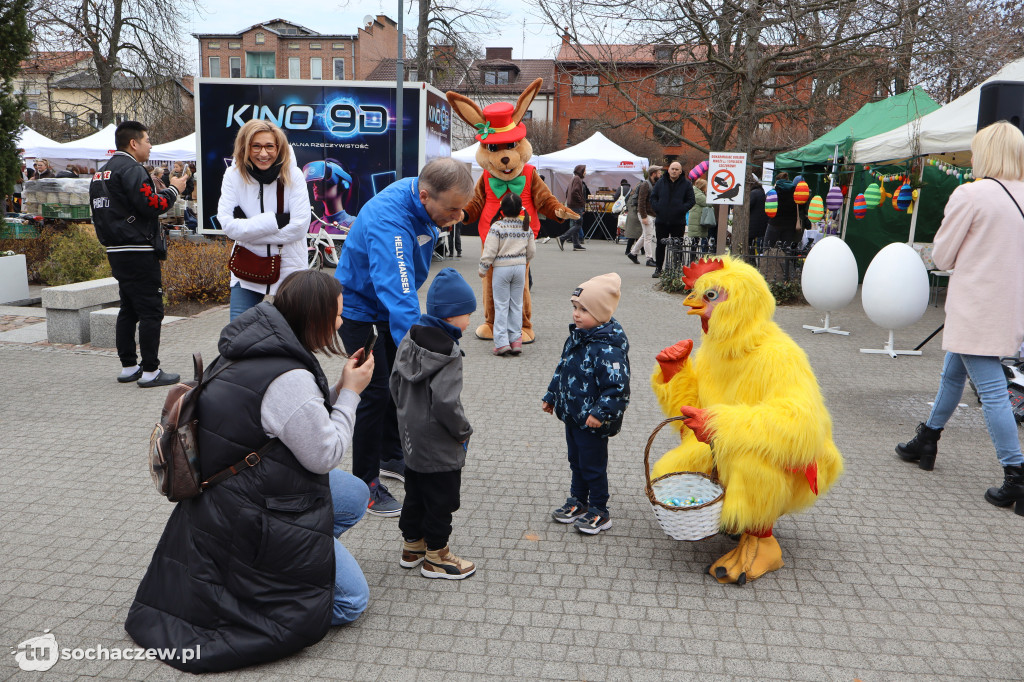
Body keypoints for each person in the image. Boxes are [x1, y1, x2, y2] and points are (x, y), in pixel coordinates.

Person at [124, 270, 376, 672]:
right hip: (252, 514)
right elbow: (325, 454)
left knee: (355, 495)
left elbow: (292, 420)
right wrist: (350, 395)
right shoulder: (289, 376)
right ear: (314, 318)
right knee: (350, 601)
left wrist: (337, 389)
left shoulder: (254, 346)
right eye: (338, 315)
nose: (342, 323)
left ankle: (300, 553)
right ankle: (273, 578)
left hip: (236, 494)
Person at [894, 121, 1024, 515]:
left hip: (974, 307)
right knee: (953, 373)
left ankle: (1016, 474)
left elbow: (944, 256)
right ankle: (927, 439)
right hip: (1008, 306)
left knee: (992, 393)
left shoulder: (971, 193)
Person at [335, 157, 474, 516]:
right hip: (360, 309)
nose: (458, 217)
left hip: (388, 305)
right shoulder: (390, 220)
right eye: (453, 210)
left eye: (462, 209)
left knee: (396, 384)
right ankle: (364, 485)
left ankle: (391, 454)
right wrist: (423, 348)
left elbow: (404, 289)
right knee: (371, 393)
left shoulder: (427, 194)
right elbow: (397, 291)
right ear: (425, 196)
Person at [391, 268, 478, 579]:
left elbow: (394, 382)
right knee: (442, 498)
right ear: (452, 316)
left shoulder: (410, 338)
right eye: (468, 313)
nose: (470, 320)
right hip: (439, 442)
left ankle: (412, 545)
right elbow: (445, 402)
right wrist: (463, 431)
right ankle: (437, 557)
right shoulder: (450, 353)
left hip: (412, 435)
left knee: (415, 489)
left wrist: (404, 415)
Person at [89, 120, 187, 387]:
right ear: (134, 143)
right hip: (138, 249)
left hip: (116, 249)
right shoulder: (131, 169)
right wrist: (175, 189)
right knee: (151, 311)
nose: (150, 145)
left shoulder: (101, 173)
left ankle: (129, 366)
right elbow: (152, 205)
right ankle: (151, 371)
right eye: (147, 140)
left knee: (129, 308)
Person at [542, 273, 631, 535]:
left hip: (592, 421)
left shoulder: (609, 349)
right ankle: (578, 501)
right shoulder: (578, 337)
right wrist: (551, 396)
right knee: (576, 461)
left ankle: (600, 511)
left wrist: (601, 412)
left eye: (584, 310)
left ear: (602, 314)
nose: (577, 314)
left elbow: (617, 388)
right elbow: (563, 369)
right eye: (575, 307)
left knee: (593, 466)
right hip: (572, 414)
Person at [218, 119, 312, 320]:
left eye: (270, 146)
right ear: (245, 147)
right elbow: (227, 225)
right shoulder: (233, 175)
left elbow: (299, 228)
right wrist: (275, 221)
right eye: (256, 146)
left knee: (291, 335)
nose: (263, 153)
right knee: (238, 334)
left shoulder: (293, 175)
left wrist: (248, 233)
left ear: (279, 148)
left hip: (290, 268)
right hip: (247, 265)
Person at [479, 192, 536, 356]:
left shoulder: (497, 227)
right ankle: (516, 341)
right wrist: (524, 261)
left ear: (502, 210)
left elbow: (489, 251)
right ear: (520, 210)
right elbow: (532, 251)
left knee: (501, 305)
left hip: (501, 269)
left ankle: (502, 343)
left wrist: (483, 268)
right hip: (519, 268)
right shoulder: (526, 227)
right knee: (517, 305)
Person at [649, 160, 695, 277]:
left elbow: (691, 201)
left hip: (677, 221)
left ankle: (676, 269)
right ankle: (658, 268)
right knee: (660, 245)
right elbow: (653, 197)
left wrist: (681, 209)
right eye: (672, 169)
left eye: (676, 169)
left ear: (680, 171)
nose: (674, 171)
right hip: (662, 220)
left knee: (677, 246)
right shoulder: (660, 182)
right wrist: (658, 208)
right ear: (668, 170)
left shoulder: (686, 184)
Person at [304, 158, 356, 233]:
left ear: (343, 185)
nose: (315, 185)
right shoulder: (314, 226)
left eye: (322, 180)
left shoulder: (354, 224)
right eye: (315, 181)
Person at [628, 165, 661, 266]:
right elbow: (641, 201)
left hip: (649, 214)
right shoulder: (646, 185)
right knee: (648, 237)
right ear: (653, 174)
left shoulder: (653, 184)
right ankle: (649, 258)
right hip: (646, 214)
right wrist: (643, 216)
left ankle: (633, 253)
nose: (660, 175)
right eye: (659, 173)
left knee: (645, 235)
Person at [557, 164, 587, 251]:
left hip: (572, 205)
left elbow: (568, 192)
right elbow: (575, 192)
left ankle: (576, 244)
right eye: (584, 171)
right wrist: (581, 202)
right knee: (578, 224)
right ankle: (562, 238)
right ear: (581, 171)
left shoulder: (573, 178)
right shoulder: (577, 179)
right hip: (576, 206)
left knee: (575, 224)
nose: (585, 172)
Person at [748, 175, 768, 248]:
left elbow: (748, 207)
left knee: (750, 245)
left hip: (753, 224)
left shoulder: (753, 193)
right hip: (761, 224)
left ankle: (751, 258)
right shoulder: (761, 191)